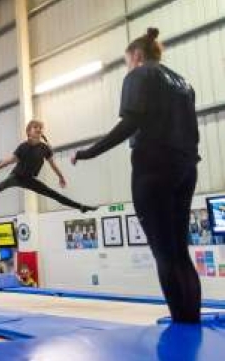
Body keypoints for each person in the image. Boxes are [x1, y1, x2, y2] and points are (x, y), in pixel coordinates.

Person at [72, 28, 201, 323]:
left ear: (137, 56)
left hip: (153, 166)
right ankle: (190, 324)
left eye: (126, 61)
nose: (127, 66)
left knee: (164, 253)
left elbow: (131, 122)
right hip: (186, 167)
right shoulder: (183, 83)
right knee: (180, 251)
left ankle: (182, 325)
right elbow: (191, 131)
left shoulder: (140, 75)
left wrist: (89, 153)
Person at [0, 120, 97, 213]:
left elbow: (53, 165)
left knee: (52, 193)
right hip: (17, 175)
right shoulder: (23, 147)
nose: (38, 129)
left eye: (40, 127)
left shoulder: (44, 148)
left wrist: (61, 177)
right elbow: (9, 160)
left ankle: (80, 207)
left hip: (30, 179)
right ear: (29, 131)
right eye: (35, 127)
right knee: (9, 181)